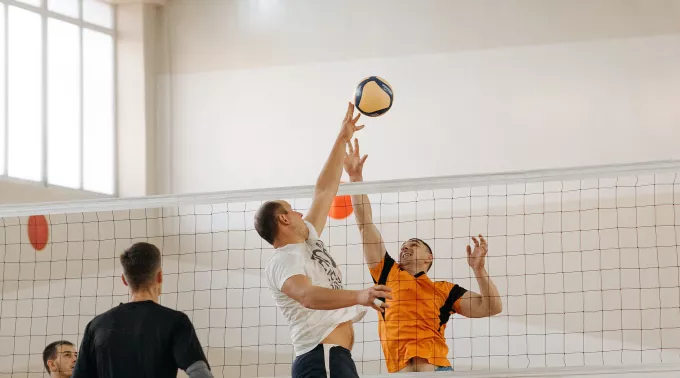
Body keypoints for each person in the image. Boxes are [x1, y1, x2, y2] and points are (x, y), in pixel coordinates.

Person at [254, 103, 393, 378]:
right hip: (322, 358)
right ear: (284, 220)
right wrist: (359, 296)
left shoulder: (308, 240)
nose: (299, 212)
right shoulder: (284, 260)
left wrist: (342, 139)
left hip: (332, 358)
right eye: (292, 209)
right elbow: (306, 296)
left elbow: (324, 190)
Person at [343, 138, 503, 373]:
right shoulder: (387, 273)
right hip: (401, 370)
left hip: (437, 369)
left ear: (430, 258)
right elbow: (365, 224)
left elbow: (492, 307)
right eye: (404, 246)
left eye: (414, 244)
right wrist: (355, 180)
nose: (405, 248)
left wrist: (479, 271)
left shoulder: (444, 290)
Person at [72, 242, 213, 378]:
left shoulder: (96, 325)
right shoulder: (175, 321)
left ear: (124, 280)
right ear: (159, 276)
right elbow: (201, 374)